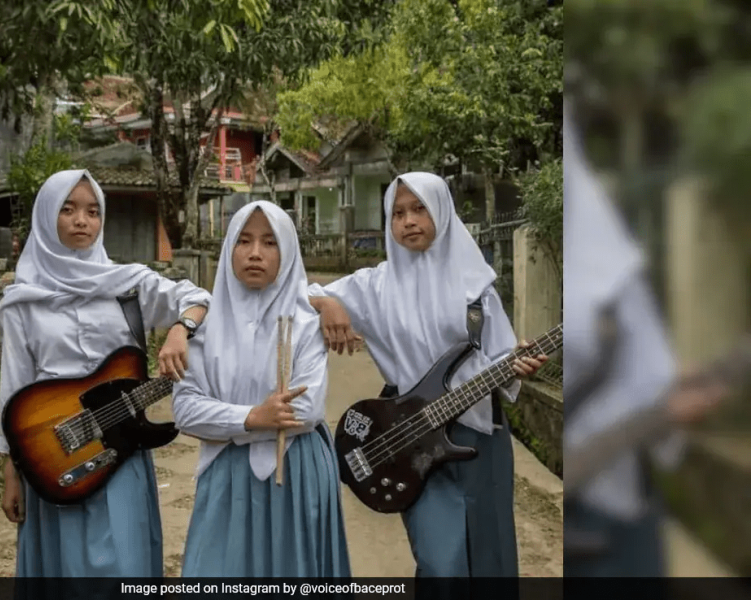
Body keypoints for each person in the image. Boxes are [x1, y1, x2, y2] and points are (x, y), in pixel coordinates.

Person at [308, 173, 548, 578]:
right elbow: (295, 292)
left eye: (419, 208)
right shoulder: (376, 286)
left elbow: (501, 357)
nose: (409, 220)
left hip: (479, 435)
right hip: (411, 438)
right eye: (398, 212)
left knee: (490, 555)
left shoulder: (477, 288)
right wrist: (326, 303)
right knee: (441, 564)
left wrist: (516, 364)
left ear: (441, 211)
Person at [0, 169, 211, 578]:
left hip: (121, 448)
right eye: (68, 209)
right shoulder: (22, 301)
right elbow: (14, 386)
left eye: (93, 212)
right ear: (45, 217)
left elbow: (197, 298)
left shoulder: (127, 285)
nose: (82, 221)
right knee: (65, 574)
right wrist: (12, 471)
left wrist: (182, 328)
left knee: (125, 568)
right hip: (53, 453)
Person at [562, 103, 727, 576]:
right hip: (608, 513)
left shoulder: (605, 263)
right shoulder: (608, 267)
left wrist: (671, 397)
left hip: (615, 513)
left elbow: (650, 379)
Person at [172, 201, 351, 577]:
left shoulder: (304, 322)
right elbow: (185, 409)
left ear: (286, 252)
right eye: (244, 241)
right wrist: (251, 417)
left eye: (270, 243)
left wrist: (223, 419)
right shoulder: (202, 328)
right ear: (229, 250)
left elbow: (306, 410)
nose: (255, 253)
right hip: (225, 473)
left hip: (296, 470)